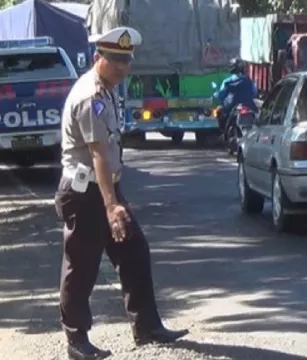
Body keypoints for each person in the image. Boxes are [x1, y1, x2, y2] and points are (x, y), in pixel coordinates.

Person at [55, 27, 188, 360]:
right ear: (99, 57)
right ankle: (77, 341)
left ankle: (147, 327)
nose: (123, 68)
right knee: (81, 267)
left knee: (134, 251)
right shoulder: (90, 96)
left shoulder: (107, 90)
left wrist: (113, 197)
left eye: (127, 61)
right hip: (85, 192)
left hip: (105, 188)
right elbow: (99, 154)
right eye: (116, 61)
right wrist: (112, 206)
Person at [213, 57, 257, 133]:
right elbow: (254, 93)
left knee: (219, 111)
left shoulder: (227, 82)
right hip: (248, 106)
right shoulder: (248, 80)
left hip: (231, 108)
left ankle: (223, 132)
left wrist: (216, 94)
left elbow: (220, 96)